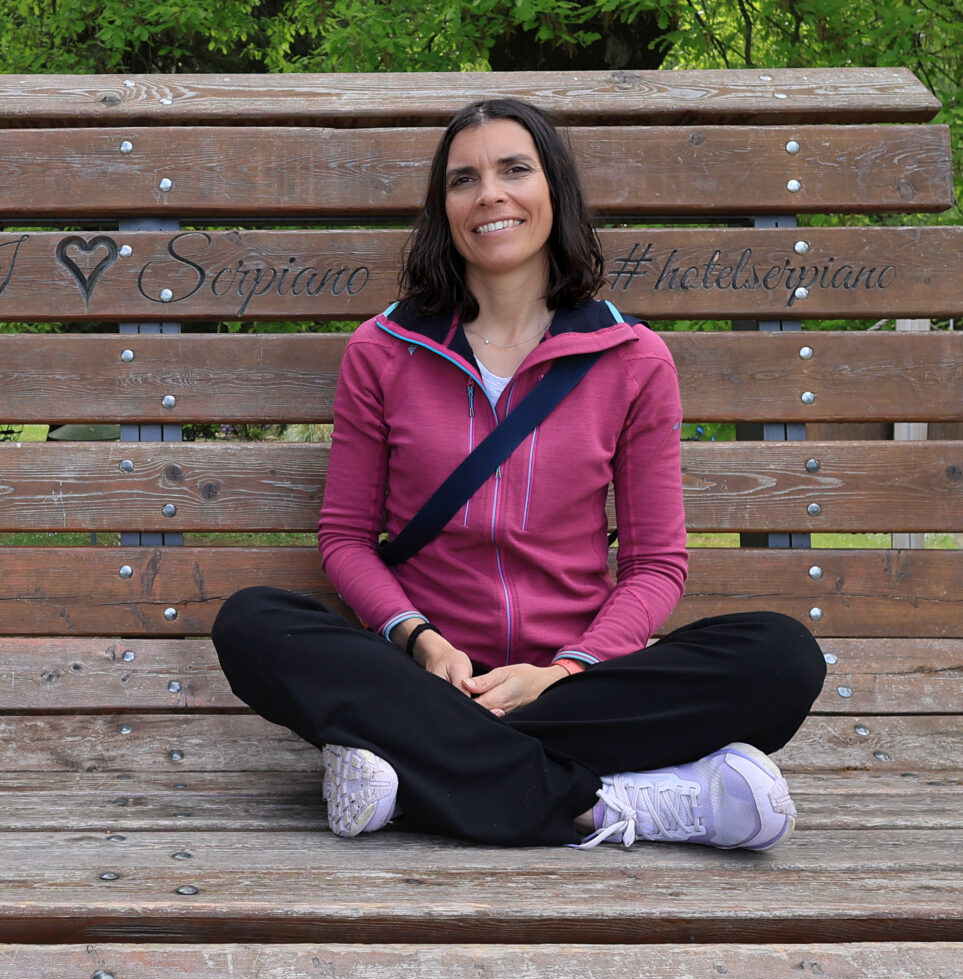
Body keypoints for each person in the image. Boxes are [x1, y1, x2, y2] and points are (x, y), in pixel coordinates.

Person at [212, 98, 825, 850]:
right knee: (252, 623)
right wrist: (423, 645)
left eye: (513, 170)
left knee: (781, 657)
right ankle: (604, 804)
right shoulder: (383, 350)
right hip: (429, 676)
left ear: (553, 192)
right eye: (463, 179)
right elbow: (344, 538)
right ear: (444, 210)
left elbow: (656, 565)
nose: (489, 195)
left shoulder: (631, 360)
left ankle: (412, 772)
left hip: (575, 685)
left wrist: (563, 672)